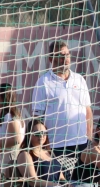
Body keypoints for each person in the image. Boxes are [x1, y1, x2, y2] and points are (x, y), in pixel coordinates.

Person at [31, 40, 93, 170]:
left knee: (82, 186)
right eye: (61, 55)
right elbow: (37, 118)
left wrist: (89, 138)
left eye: (67, 54)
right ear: (51, 59)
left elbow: (87, 111)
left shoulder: (79, 79)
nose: (65, 59)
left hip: (81, 145)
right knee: (62, 186)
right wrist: (44, 144)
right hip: (56, 146)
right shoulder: (43, 82)